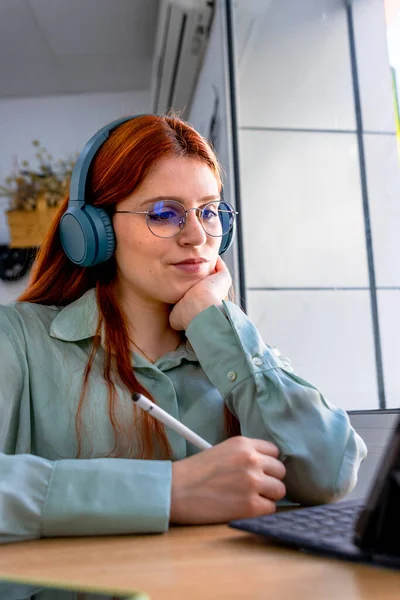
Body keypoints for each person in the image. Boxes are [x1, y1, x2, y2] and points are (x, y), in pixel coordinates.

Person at [0, 114, 366, 544]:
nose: (197, 235)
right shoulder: (18, 340)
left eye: (209, 211)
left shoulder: (234, 351)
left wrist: (217, 323)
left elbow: (330, 473)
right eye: (164, 213)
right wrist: (170, 491)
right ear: (95, 232)